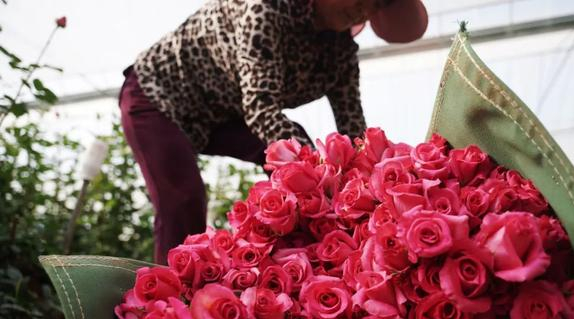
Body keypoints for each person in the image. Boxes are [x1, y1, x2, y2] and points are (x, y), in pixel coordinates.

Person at [119, 0, 428, 265]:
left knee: (292, 161)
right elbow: (261, 109)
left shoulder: (341, 52)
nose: (364, 8)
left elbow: (353, 132)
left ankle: (294, 248)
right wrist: (318, 174)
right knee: (183, 198)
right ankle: (169, 295)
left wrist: (373, 188)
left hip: (224, 111)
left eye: (376, 4)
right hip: (159, 95)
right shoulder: (265, 11)